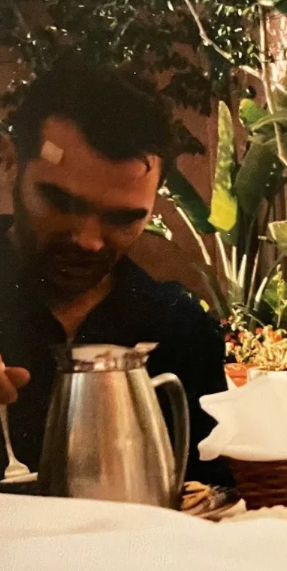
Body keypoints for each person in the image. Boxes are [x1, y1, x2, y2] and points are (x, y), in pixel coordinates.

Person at [0, 58, 232, 489]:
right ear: (9, 162)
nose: (89, 240)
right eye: (62, 202)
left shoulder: (179, 329)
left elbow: (212, 499)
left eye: (122, 218)